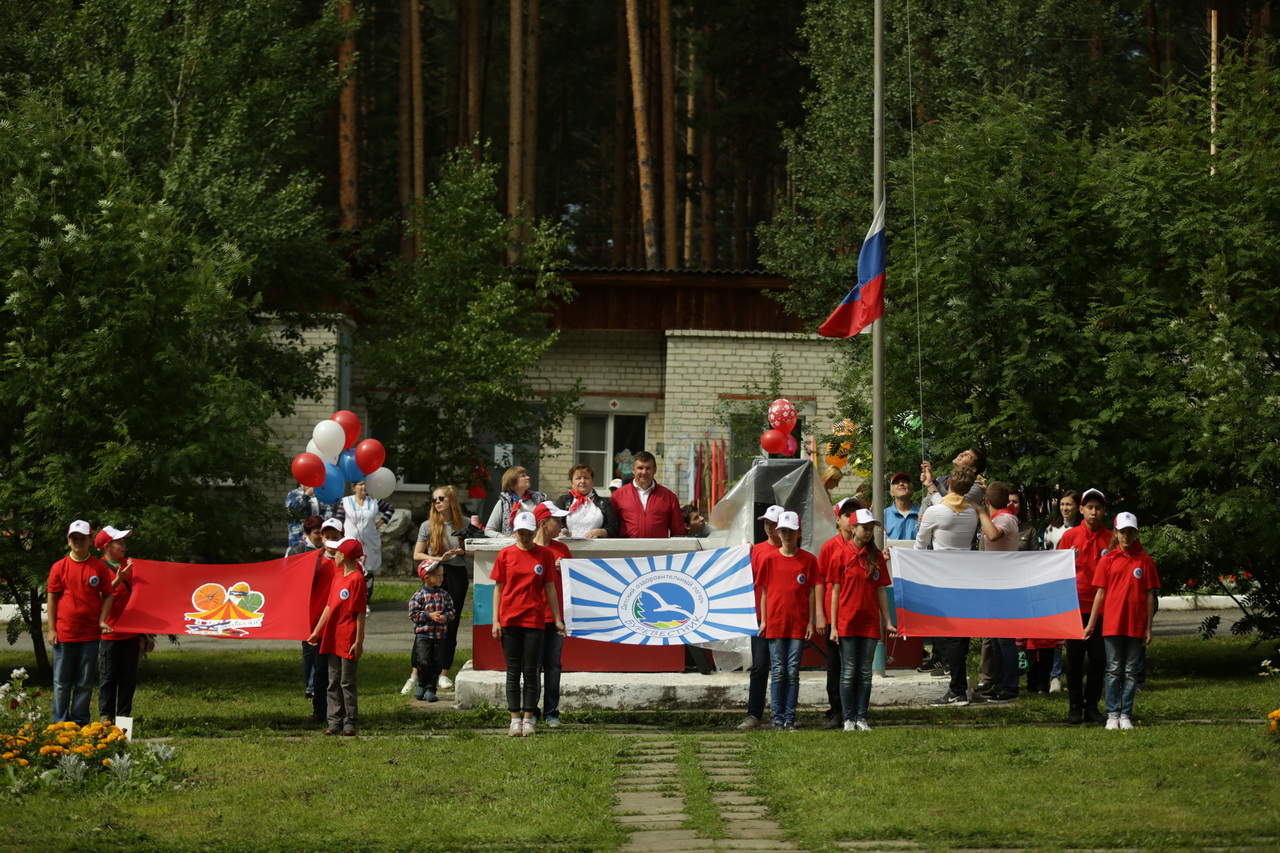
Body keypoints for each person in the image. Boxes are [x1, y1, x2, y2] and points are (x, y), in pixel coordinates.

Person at [490, 511, 564, 737]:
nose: (524, 537)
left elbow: (550, 587)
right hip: (510, 619)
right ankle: (514, 718)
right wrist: (495, 620)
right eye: (520, 533)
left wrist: (558, 619)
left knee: (531, 670)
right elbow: (499, 588)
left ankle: (529, 718)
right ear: (515, 532)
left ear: (535, 531)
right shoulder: (505, 555)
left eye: (528, 533)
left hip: (534, 619)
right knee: (513, 671)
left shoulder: (544, 555)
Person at [1085, 512, 1159, 731]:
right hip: (1113, 624)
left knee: (1130, 670)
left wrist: (1148, 627)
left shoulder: (1144, 560)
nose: (1126, 536)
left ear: (1135, 533)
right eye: (1122, 532)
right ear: (1115, 533)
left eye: (1130, 532)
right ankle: (1112, 714)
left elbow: (1149, 596)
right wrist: (1090, 624)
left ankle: (1126, 713)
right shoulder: (1107, 560)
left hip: (1135, 624)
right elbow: (1100, 593)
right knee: (1114, 668)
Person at [915, 466, 981, 706]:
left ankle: (957, 689)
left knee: (948, 636)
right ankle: (958, 686)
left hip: (941, 578)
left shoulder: (935, 511)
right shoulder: (972, 513)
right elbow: (947, 505)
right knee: (959, 635)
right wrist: (932, 488)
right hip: (965, 577)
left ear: (950, 482)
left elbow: (920, 544)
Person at [829, 509, 897, 731]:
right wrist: (833, 625)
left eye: (871, 529)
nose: (868, 532)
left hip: (869, 621)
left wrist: (887, 621)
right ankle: (848, 718)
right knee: (848, 671)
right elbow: (835, 592)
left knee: (865, 672)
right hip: (847, 621)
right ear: (853, 528)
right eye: (864, 528)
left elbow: (880, 592)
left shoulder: (876, 557)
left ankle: (861, 717)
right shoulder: (840, 554)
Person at [46, 520, 114, 725]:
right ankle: (60, 723)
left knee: (84, 683)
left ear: (90, 541)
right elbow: (52, 598)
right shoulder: (59, 567)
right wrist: (51, 629)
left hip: (90, 635)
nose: (78, 542)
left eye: (82, 539)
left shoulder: (99, 567)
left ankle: (80, 722)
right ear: (68, 541)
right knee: (61, 683)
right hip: (64, 634)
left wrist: (102, 620)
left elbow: (108, 595)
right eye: (74, 539)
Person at [755, 511, 818, 731]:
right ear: (778, 533)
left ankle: (789, 718)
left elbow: (811, 592)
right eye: (783, 531)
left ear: (799, 533)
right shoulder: (769, 559)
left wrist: (811, 621)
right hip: (775, 623)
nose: (787, 535)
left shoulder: (808, 560)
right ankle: (776, 718)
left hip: (797, 625)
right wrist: (764, 621)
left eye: (791, 531)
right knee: (779, 670)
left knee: (792, 670)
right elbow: (764, 592)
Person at [1057, 487, 1111, 725]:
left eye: (1098, 508)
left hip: (1102, 608)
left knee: (1099, 659)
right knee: (1075, 660)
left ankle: (1092, 706)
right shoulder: (1070, 537)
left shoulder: (1111, 537)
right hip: (1076, 605)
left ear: (1104, 511)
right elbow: (1057, 569)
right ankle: (1075, 706)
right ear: (1081, 510)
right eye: (1089, 507)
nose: (1094, 512)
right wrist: (1069, 558)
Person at [409, 486, 471, 695]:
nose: (437, 502)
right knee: (425, 622)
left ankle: (443, 673)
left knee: (450, 623)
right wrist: (437, 559)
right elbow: (417, 554)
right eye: (434, 499)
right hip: (434, 571)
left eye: (441, 498)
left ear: (451, 500)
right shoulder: (428, 525)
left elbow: (474, 552)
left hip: (457, 575)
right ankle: (417, 674)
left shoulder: (466, 523)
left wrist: (465, 551)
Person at [307, 536, 368, 736]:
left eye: (338, 552)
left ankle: (349, 721)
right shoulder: (337, 577)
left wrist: (358, 642)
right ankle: (334, 721)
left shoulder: (357, 579)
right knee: (333, 680)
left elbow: (359, 613)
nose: (335, 555)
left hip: (348, 637)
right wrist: (317, 631)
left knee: (346, 681)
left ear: (345, 555)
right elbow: (329, 606)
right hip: (332, 636)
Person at [96, 526, 152, 723]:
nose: (124, 546)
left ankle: (124, 718)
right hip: (109, 634)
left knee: (128, 677)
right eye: (119, 542)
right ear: (106, 546)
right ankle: (106, 716)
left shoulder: (131, 565)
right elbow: (96, 597)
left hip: (131, 633)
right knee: (108, 677)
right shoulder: (97, 568)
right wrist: (118, 580)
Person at [738, 505, 784, 731]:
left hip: (785, 618)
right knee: (759, 666)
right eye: (766, 522)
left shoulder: (791, 550)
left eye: (773, 523)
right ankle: (754, 714)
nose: (769, 526)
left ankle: (783, 714)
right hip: (759, 617)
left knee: (783, 668)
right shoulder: (755, 551)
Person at [816, 498, 860, 727]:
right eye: (846, 514)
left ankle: (856, 710)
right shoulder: (830, 547)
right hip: (834, 618)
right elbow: (820, 582)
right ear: (838, 520)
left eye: (855, 514)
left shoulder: (864, 547)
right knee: (835, 666)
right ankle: (836, 711)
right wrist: (821, 616)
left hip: (856, 617)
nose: (851, 518)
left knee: (856, 666)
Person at [975, 481, 1021, 703]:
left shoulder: (1004, 518)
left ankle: (1010, 687)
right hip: (994, 585)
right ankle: (1001, 683)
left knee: (1005, 640)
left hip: (1005, 586)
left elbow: (993, 536)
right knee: (995, 639)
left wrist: (981, 511)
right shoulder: (1001, 515)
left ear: (988, 502)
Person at [533, 501, 572, 726]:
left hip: (557, 619)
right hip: (534, 618)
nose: (560, 524)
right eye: (556, 520)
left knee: (554, 665)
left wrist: (564, 569)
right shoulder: (529, 548)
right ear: (543, 523)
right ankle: (532, 710)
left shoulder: (562, 549)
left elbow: (574, 582)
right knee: (534, 665)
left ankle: (551, 712)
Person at [304, 519, 343, 724]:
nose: (330, 541)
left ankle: (339, 711)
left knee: (338, 671)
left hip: (338, 624)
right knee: (319, 670)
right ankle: (320, 711)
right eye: (327, 537)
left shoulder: (345, 562)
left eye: (335, 538)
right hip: (316, 623)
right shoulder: (313, 560)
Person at [1042, 489, 1080, 693]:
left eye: (1069, 504)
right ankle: (1055, 677)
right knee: (1058, 635)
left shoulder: (1086, 528)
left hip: (1081, 585)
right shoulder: (1052, 530)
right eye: (1062, 504)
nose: (1065, 508)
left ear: (1078, 507)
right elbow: (1048, 559)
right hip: (1059, 585)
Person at [335, 479, 393, 601]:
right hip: (351, 543)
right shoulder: (345, 502)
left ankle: (365, 600)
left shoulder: (373, 501)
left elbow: (390, 509)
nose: (363, 486)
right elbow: (339, 520)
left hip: (370, 543)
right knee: (350, 568)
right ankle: (349, 598)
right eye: (360, 484)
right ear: (353, 487)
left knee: (368, 572)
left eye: (366, 484)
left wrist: (380, 523)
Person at [408, 562, 457, 703]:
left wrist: (445, 617)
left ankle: (430, 689)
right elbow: (413, 614)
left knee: (436, 663)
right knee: (423, 661)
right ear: (427, 577)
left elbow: (451, 611)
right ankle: (421, 683)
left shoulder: (444, 595)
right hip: (424, 636)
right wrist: (429, 616)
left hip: (440, 636)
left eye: (442, 575)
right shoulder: (418, 595)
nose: (441, 578)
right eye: (438, 575)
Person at [610, 451, 686, 538]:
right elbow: (611, 528)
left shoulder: (669, 497)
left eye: (648, 468)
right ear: (633, 469)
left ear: (655, 470)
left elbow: (678, 531)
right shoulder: (618, 495)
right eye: (640, 468)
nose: (644, 472)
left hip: (659, 550)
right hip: (628, 550)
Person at [554, 464, 617, 539]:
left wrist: (600, 532)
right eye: (578, 478)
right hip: (568, 546)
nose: (583, 481)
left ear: (592, 481)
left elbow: (614, 528)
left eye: (586, 478)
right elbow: (553, 523)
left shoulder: (604, 502)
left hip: (597, 547)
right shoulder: (563, 501)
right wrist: (560, 533)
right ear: (571, 482)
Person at [484, 466, 548, 537]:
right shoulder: (503, 503)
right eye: (522, 476)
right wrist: (506, 537)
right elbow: (488, 530)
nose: (528, 477)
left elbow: (549, 523)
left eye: (526, 475)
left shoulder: (539, 500)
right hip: (513, 545)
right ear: (513, 482)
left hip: (536, 543)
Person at [920, 447, 987, 509]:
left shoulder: (976, 488)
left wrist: (931, 484)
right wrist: (932, 480)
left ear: (973, 469)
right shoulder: (941, 479)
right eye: (963, 452)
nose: (961, 454)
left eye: (967, 455)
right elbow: (926, 502)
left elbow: (954, 506)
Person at [286, 484, 334, 555]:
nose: (307, 484)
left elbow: (329, 514)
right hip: (298, 541)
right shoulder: (293, 494)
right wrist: (306, 496)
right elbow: (293, 510)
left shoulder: (322, 494)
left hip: (319, 542)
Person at [883, 472, 920, 541]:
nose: (901, 484)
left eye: (904, 482)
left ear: (911, 490)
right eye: (897, 483)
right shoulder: (883, 515)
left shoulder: (921, 513)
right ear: (891, 493)